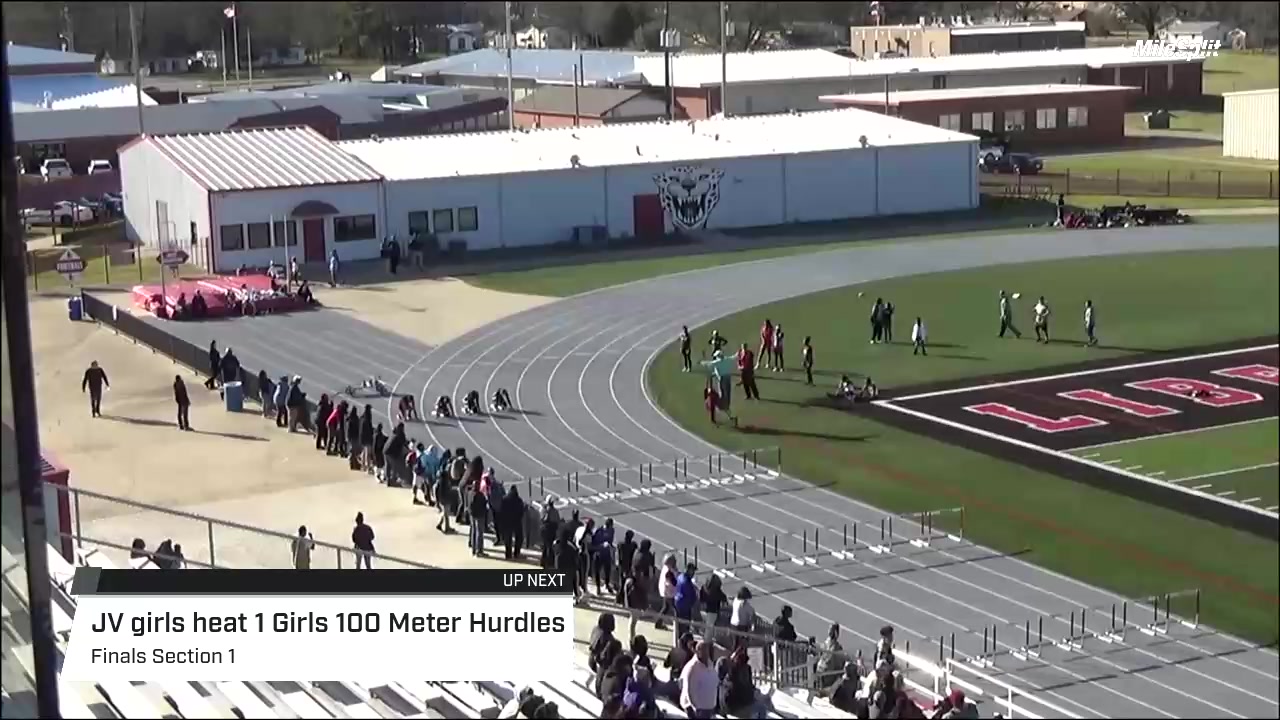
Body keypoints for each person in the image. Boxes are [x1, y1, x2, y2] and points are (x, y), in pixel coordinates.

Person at [679, 641, 718, 719]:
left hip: (708, 708)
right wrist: (695, 708)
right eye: (703, 650)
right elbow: (689, 690)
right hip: (697, 710)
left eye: (707, 650)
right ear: (697, 652)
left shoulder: (710, 664)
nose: (706, 653)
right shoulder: (692, 668)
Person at [816, 623, 846, 687]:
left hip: (822, 670)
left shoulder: (827, 644)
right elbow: (839, 665)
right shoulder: (835, 646)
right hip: (826, 673)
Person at [699, 573, 727, 642]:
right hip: (712, 612)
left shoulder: (704, 587)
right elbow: (724, 598)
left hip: (703, 610)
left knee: (705, 626)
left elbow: (701, 598)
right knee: (709, 629)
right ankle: (706, 642)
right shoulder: (716, 591)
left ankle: (703, 637)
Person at [500, 486, 526, 559]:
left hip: (507, 521)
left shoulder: (504, 499)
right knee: (519, 537)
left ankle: (508, 554)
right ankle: (516, 553)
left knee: (508, 538)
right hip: (516, 521)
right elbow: (521, 511)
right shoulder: (518, 500)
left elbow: (501, 511)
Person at [591, 518, 616, 596]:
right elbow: (594, 542)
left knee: (607, 570)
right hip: (599, 553)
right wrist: (601, 545)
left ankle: (607, 584)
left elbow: (610, 541)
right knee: (597, 570)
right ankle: (598, 587)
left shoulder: (611, 530)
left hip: (607, 553)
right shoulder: (599, 530)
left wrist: (611, 546)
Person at [673, 562, 698, 638]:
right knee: (685, 625)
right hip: (684, 606)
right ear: (689, 570)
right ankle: (682, 640)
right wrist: (694, 599)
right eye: (693, 571)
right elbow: (691, 595)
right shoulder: (686, 582)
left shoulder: (680, 577)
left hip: (678, 603)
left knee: (680, 624)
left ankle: (679, 638)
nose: (693, 573)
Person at [469, 479, 489, 556]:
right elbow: (484, 503)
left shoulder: (470, 493)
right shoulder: (479, 495)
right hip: (479, 515)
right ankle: (479, 550)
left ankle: (474, 549)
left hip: (472, 515)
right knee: (479, 533)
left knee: (474, 532)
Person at [539, 499, 560, 567]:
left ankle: (544, 562)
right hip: (551, 531)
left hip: (546, 530)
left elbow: (542, 520)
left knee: (546, 547)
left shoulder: (546, 510)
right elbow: (557, 521)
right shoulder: (554, 511)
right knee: (549, 547)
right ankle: (549, 562)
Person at [346, 405, 364, 470]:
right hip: (355, 437)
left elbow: (348, 429)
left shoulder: (350, 419)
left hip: (351, 437)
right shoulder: (355, 419)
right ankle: (354, 464)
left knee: (353, 451)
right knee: (355, 451)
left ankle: (352, 464)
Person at [360, 406, 376, 473]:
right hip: (367, 438)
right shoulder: (367, 419)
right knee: (368, 453)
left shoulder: (363, 418)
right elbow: (369, 429)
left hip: (363, 437)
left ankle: (363, 465)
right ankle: (368, 467)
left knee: (364, 451)